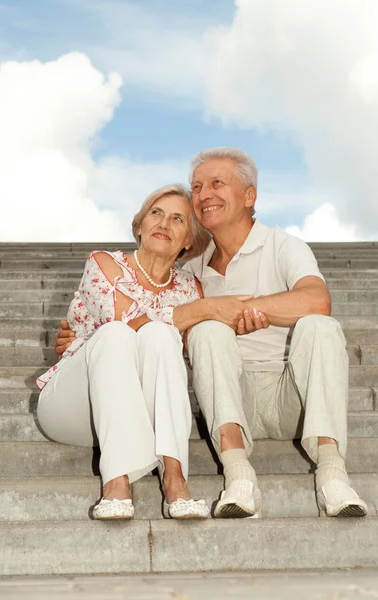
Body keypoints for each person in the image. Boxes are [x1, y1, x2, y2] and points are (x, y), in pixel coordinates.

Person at [57, 147, 366, 520]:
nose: (204, 194)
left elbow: (318, 300)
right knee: (204, 332)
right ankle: (237, 475)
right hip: (232, 401)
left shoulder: (279, 246)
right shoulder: (193, 273)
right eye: (197, 186)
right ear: (139, 224)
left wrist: (250, 311)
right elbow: (168, 336)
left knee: (320, 326)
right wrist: (90, 338)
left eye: (217, 183)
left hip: (292, 395)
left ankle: (333, 475)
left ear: (249, 196)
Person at [38, 182, 268, 521]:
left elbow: (191, 361)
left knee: (160, 335)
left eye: (177, 219)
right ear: (140, 225)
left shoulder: (191, 289)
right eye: (156, 214)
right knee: (116, 333)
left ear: (189, 238)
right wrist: (202, 310)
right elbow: (124, 318)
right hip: (74, 407)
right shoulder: (104, 264)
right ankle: (116, 483)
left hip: (140, 414)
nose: (163, 224)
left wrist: (207, 311)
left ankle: (175, 481)